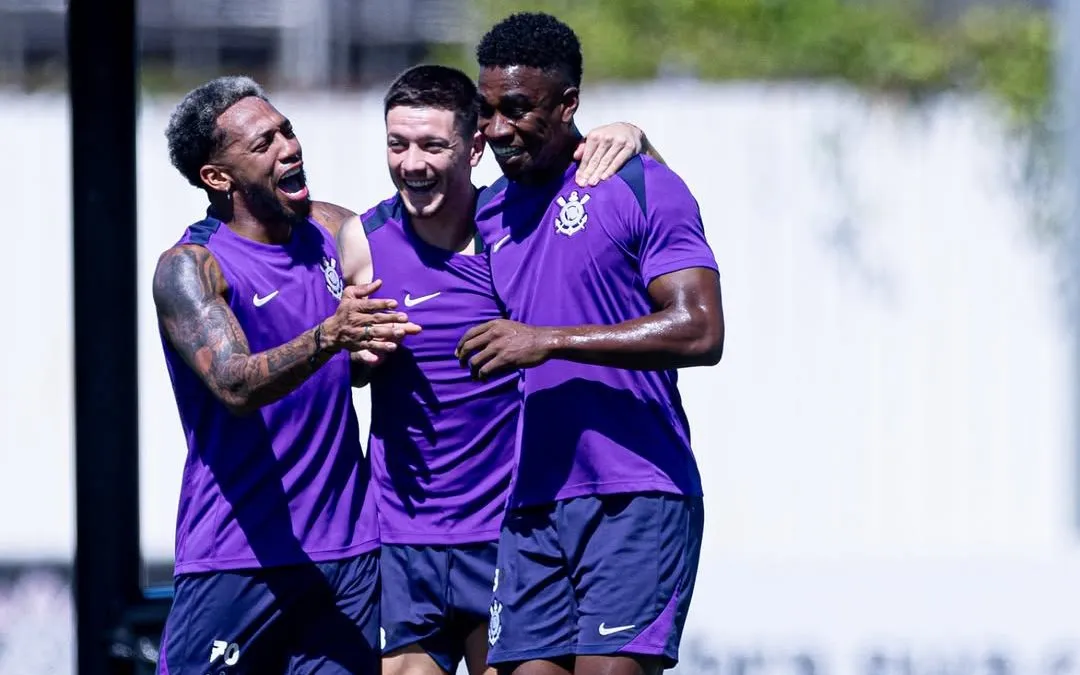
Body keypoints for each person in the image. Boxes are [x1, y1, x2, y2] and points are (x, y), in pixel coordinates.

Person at [336, 64, 663, 675]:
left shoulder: (516, 231)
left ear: (475, 146)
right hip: (402, 538)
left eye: (433, 145)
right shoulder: (363, 241)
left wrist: (633, 135)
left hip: (510, 536)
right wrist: (351, 358)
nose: (412, 163)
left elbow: (627, 201)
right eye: (397, 144)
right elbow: (338, 357)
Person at [455, 12, 725, 675]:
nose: (496, 130)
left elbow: (701, 327)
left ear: (568, 103)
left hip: (636, 492)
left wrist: (547, 341)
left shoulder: (639, 184)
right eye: (486, 111)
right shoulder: (487, 213)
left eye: (516, 109)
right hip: (532, 503)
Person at [152, 75, 419, 675]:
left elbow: (448, 227)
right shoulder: (192, 267)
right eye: (263, 142)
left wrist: (625, 140)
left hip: (349, 554)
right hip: (238, 556)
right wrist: (332, 337)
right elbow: (234, 384)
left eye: (287, 129)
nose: (289, 147)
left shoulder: (332, 232)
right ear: (217, 178)